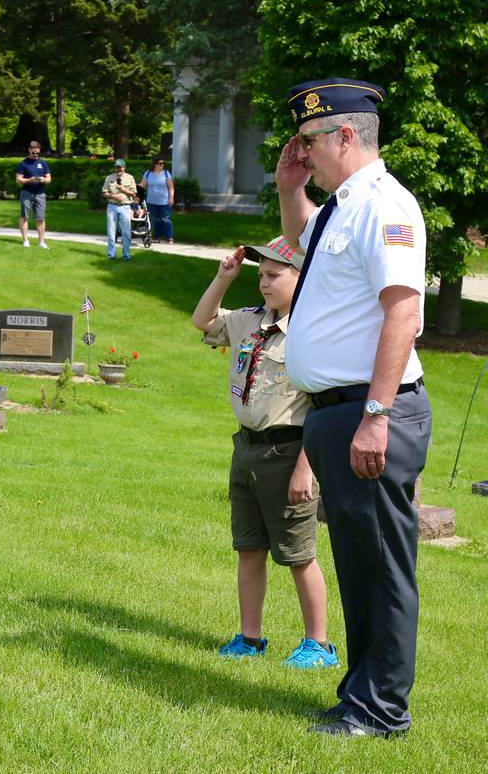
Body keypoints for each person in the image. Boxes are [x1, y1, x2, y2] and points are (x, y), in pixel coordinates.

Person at [276, 78, 432, 738]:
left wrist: (375, 413)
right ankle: (360, 695)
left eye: (310, 140)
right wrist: (291, 191)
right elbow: (305, 249)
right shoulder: (344, 206)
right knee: (359, 565)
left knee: (383, 569)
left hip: (372, 413)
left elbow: (404, 311)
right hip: (338, 412)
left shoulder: (386, 205)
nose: (302, 151)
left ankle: (382, 708)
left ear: (346, 135)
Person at [192, 236, 338, 670]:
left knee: (298, 552)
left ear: (302, 278)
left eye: (275, 275)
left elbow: (322, 409)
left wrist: (304, 470)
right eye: (260, 275)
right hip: (247, 449)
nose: (264, 283)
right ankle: (250, 636)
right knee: (249, 547)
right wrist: (223, 278)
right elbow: (203, 321)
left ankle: (319, 644)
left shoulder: (312, 334)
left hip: (290, 453)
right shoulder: (249, 322)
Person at [15, 141, 51, 248]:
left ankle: (41, 242)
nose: (35, 155)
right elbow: (18, 179)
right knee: (24, 216)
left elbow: (49, 178)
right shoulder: (23, 163)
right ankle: (26, 240)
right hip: (26, 192)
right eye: (33, 152)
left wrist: (43, 180)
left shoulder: (43, 163)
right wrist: (29, 180)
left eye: (37, 153)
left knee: (40, 218)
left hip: (40, 193)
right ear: (29, 150)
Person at [102, 159, 138, 260]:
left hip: (125, 207)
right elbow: (104, 193)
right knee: (111, 232)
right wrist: (114, 196)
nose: (119, 169)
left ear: (124, 167)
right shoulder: (109, 178)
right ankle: (111, 255)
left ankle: (126, 255)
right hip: (112, 206)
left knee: (126, 232)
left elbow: (134, 194)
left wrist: (123, 190)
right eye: (117, 167)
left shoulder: (130, 178)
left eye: (120, 167)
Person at [138, 157, 175, 243]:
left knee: (165, 219)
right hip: (152, 201)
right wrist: (134, 189)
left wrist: (171, 198)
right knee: (155, 220)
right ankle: (157, 237)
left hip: (164, 201)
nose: (162, 165)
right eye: (160, 163)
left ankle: (170, 237)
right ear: (155, 164)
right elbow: (143, 184)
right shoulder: (148, 173)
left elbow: (171, 187)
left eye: (163, 163)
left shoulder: (166, 173)